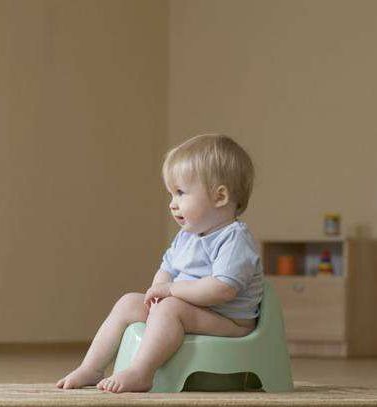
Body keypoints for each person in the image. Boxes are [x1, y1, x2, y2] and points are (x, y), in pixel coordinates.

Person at [56, 134, 263, 393]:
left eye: (180, 193)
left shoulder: (234, 238)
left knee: (170, 309)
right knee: (129, 302)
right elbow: (167, 269)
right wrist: (157, 292)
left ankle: (142, 372)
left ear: (219, 197)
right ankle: (91, 367)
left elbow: (222, 289)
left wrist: (170, 292)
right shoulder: (186, 237)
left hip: (230, 323)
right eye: (170, 194)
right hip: (190, 310)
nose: (172, 204)